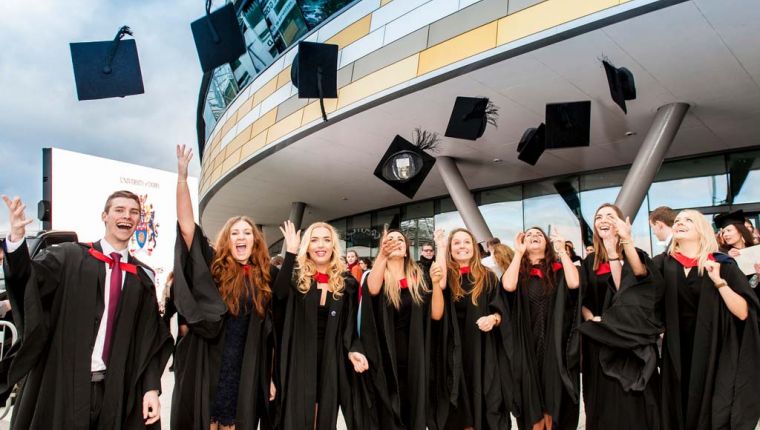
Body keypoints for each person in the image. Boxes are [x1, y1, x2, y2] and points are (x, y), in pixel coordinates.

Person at [1, 192, 172, 429]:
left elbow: (150, 340)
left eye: (134, 212)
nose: (127, 216)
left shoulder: (142, 277)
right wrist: (17, 242)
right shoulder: (70, 257)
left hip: (115, 391)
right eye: (119, 210)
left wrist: (151, 387)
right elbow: (28, 282)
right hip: (64, 385)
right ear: (105, 216)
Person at [172, 145, 277, 430]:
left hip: (244, 364)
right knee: (206, 420)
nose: (241, 237)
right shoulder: (214, 268)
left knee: (235, 423)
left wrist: (267, 377)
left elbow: (270, 333)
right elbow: (186, 229)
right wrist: (182, 178)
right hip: (210, 359)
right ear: (227, 240)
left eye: (247, 233)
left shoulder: (265, 277)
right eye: (235, 233)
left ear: (255, 241)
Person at [653, 210, 760, 429]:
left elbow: (743, 312)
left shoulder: (723, 264)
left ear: (701, 229)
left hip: (712, 351)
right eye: (678, 220)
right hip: (676, 353)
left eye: (688, 220)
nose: (680, 222)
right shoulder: (663, 264)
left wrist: (718, 281)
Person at [578, 204, 664, 430]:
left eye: (609, 216)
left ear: (620, 223)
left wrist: (617, 249)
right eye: (598, 217)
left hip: (630, 338)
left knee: (631, 401)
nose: (602, 220)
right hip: (600, 337)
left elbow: (630, 283)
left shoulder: (636, 256)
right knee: (603, 400)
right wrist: (590, 318)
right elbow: (581, 300)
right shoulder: (590, 262)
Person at [347, 229, 444, 429]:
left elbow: (436, 314)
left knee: (412, 413)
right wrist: (382, 255)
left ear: (407, 250)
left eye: (400, 239)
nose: (395, 242)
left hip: (414, 359)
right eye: (390, 240)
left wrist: (435, 284)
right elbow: (372, 290)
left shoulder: (419, 276)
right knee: (388, 416)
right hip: (384, 359)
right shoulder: (374, 276)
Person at [275, 220, 359, 429]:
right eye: (314, 240)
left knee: (323, 418)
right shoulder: (296, 278)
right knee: (300, 418)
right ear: (307, 246)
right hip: (300, 361)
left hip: (331, 360)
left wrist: (353, 351)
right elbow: (278, 296)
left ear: (333, 246)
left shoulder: (346, 283)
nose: (320, 245)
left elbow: (349, 326)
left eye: (326, 240)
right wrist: (291, 253)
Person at [501, 226, 581, 430]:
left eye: (539, 235)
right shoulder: (519, 271)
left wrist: (562, 251)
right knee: (532, 401)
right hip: (527, 344)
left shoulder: (558, 268)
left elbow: (574, 284)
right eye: (529, 235)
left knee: (553, 403)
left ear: (547, 243)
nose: (534, 236)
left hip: (555, 345)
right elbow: (508, 286)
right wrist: (518, 254)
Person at [438, 228, 511, 429]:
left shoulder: (487, 277)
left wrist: (493, 319)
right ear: (450, 249)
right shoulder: (446, 276)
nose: (462, 246)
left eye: (467, 242)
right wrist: (440, 247)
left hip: (482, 350)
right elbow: (438, 295)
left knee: (488, 401)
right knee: (459, 407)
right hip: (453, 351)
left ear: (474, 247)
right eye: (457, 243)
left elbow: (501, 311)